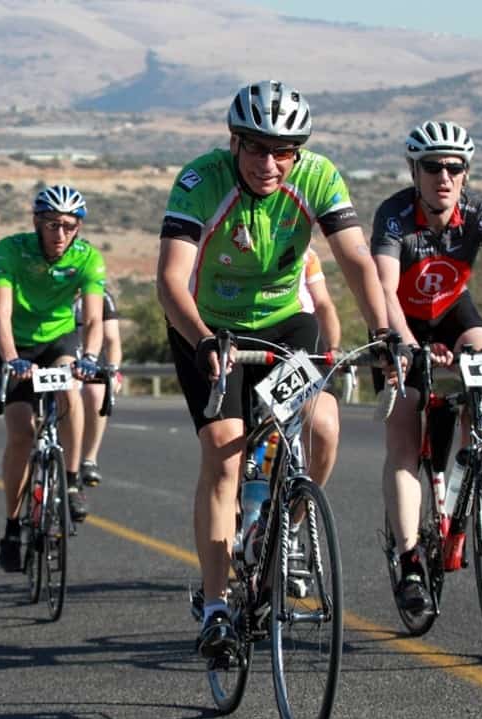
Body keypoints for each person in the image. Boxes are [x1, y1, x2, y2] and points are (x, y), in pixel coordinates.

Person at [156, 80, 395, 659]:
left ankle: (279, 528)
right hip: (209, 329)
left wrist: (384, 333)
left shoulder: (317, 176)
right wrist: (203, 340)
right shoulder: (201, 180)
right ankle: (216, 608)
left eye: (283, 151)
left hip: (286, 325)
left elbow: (356, 259)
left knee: (323, 425)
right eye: (257, 148)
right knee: (225, 453)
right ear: (234, 143)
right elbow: (169, 280)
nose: (269, 163)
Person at [372, 120, 482, 612]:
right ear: (415, 171)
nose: (443, 176)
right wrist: (408, 347)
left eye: (454, 167)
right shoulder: (394, 215)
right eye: (432, 167)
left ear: (465, 173)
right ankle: (409, 561)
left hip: (451, 312)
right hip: (400, 324)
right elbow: (384, 290)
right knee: (405, 437)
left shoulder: (478, 212)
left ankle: (470, 468)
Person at [0, 184, 106, 573]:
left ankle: (70, 479)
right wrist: (11, 359)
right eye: (53, 224)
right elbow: (1, 313)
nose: (60, 233)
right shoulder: (11, 250)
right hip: (16, 345)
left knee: (69, 391)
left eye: (69, 226)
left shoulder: (87, 257)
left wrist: (90, 358)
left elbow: (93, 319)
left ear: (78, 228)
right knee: (21, 434)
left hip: (59, 339)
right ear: (37, 223)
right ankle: (12, 525)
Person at [297, 248, 342, 488]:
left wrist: (333, 348)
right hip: (249, 340)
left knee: (323, 427)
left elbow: (323, 304)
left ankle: (302, 506)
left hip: (300, 345)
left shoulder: (308, 254)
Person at [74, 288, 123, 487]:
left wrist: (114, 370)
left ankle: (89, 459)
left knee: (96, 394)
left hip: (89, 362)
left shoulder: (101, 296)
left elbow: (112, 340)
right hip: (58, 359)